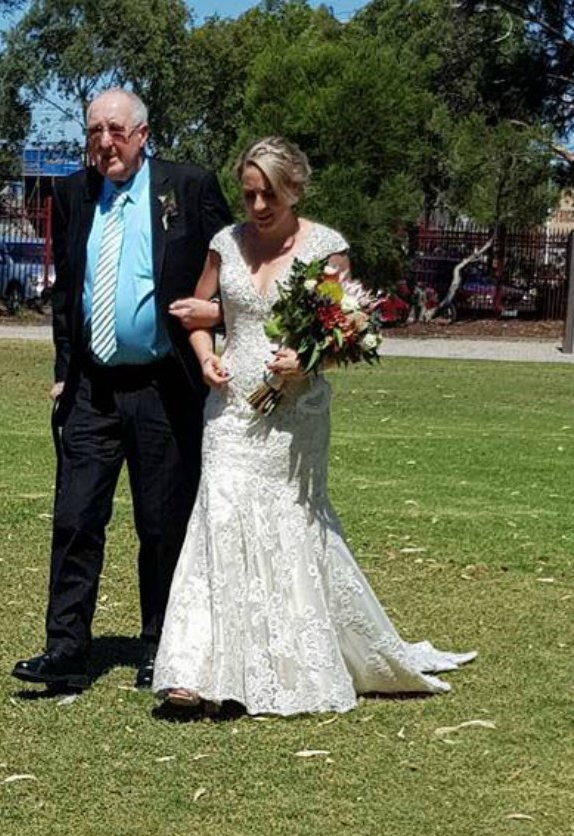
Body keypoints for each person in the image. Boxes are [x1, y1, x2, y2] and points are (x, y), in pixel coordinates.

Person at [152, 136, 476, 715]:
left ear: (295, 189)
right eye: (248, 194)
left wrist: (309, 361)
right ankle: (194, 671)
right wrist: (206, 356)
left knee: (288, 524)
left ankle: (282, 663)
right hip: (230, 408)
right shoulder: (224, 243)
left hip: (293, 414)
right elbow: (199, 314)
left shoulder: (326, 249)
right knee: (218, 521)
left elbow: (347, 336)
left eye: (268, 195)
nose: (255, 207)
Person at [12, 88, 231, 691]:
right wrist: (63, 369)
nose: (103, 143)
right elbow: (67, 292)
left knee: (161, 524)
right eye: (94, 132)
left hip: (163, 385)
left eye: (114, 130)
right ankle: (66, 649)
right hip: (91, 388)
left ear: (141, 134)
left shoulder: (187, 188)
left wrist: (214, 325)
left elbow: (231, 272)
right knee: (76, 516)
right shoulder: (73, 192)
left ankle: (162, 645)